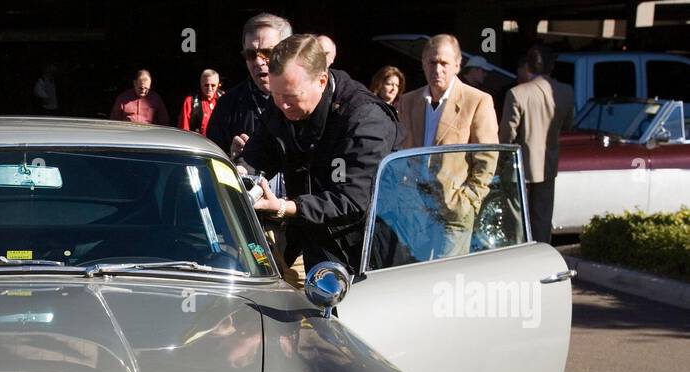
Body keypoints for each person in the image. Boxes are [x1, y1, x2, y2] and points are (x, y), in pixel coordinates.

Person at [242, 34, 402, 273]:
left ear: (321, 80)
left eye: (291, 97)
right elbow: (260, 152)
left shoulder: (365, 119)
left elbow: (352, 199)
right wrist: (240, 171)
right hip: (310, 238)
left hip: (366, 252)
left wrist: (285, 207)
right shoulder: (283, 101)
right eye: (275, 96)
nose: (282, 106)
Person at [396, 34, 499, 257]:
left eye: (444, 63)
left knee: (445, 280)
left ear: (457, 65)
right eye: (432, 62)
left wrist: (470, 198)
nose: (437, 69)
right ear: (424, 64)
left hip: (454, 207)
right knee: (413, 276)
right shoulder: (408, 101)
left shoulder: (477, 100)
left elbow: (487, 156)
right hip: (415, 209)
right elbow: (400, 151)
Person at [501, 44, 575, 242]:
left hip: (519, 166)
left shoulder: (517, 93)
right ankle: (541, 258)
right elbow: (568, 125)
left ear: (528, 67)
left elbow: (506, 137)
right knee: (542, 220)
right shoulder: (566, 91)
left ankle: (519, 258)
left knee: (516, 220)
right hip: (549, 163)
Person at [206, 12, 292, 161]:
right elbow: (211, 166)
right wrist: (231, 161)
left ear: (288, 53)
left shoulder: (309, 97)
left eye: (267, 52)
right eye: (251, 54)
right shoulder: (227, 106)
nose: (258, 62)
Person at [179, 70, 221, 135]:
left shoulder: (224, 99)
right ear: (201, 84)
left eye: (213, 85)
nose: (209, 88)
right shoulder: (190, 100)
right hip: (198, 142)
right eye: (206, 85)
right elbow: (184, 129)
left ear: (218, 84)